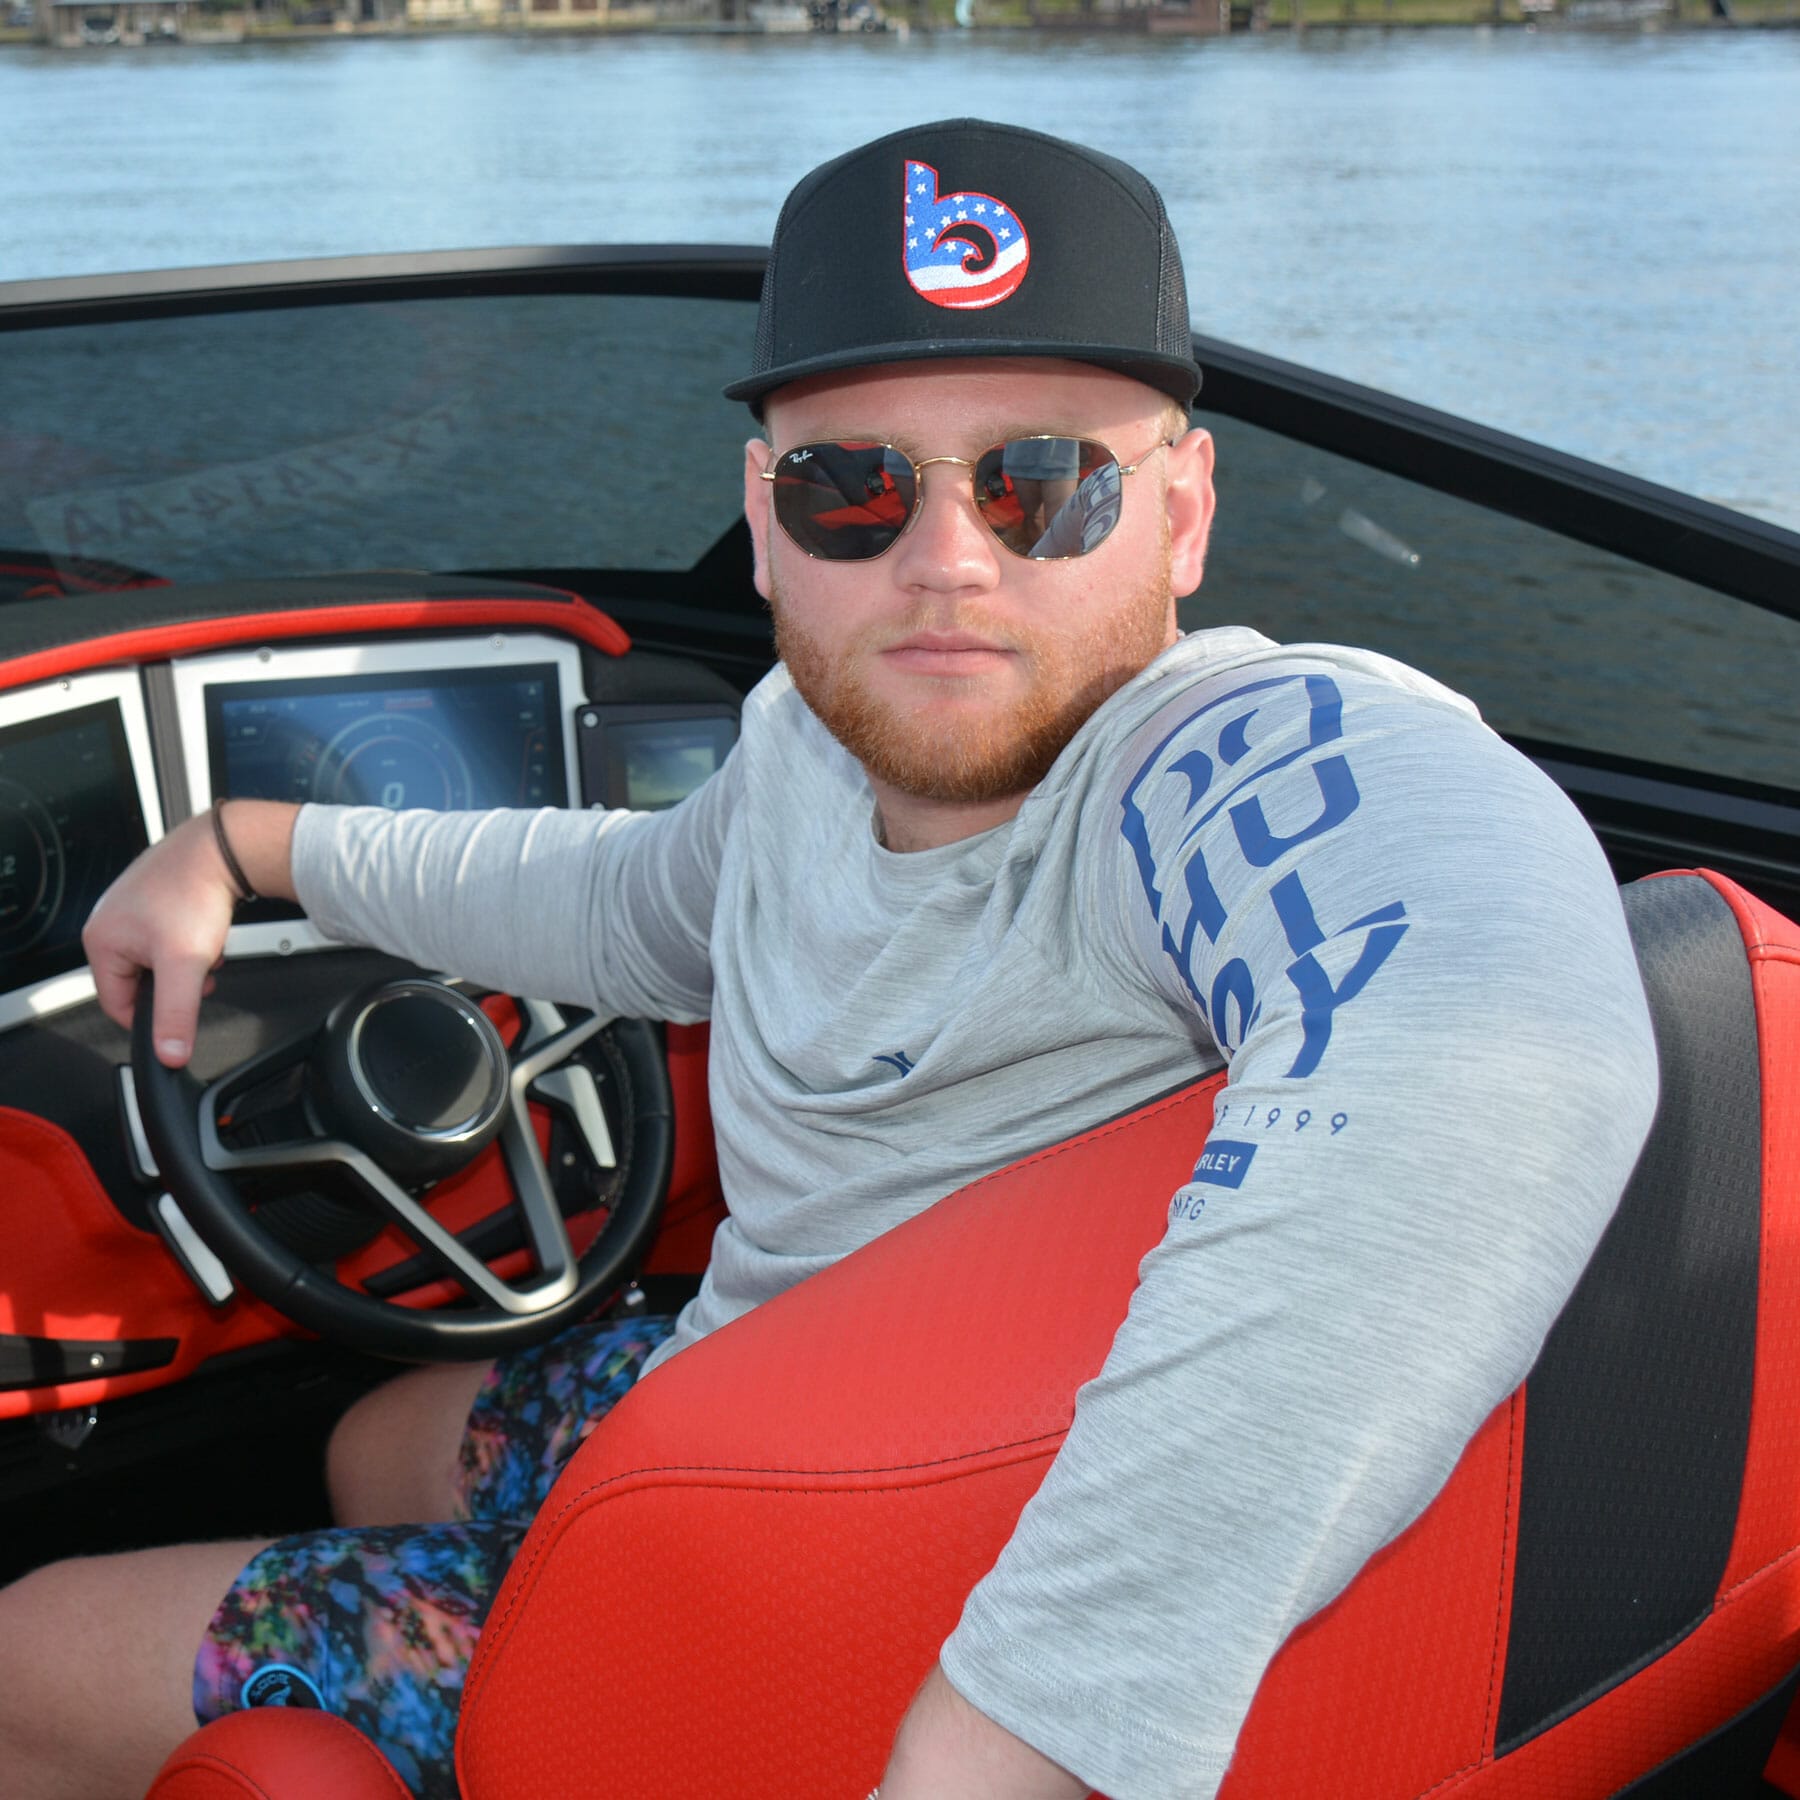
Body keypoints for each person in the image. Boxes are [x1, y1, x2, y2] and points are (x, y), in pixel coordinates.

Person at [0, 118, 1657, 1800]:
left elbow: (1495, 1039)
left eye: (1046, 482)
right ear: (766, 518)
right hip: (741, 1381)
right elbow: (629, 904)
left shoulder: (1216, 759)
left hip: (849, 1579)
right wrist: (248, 847)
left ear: (1181, 513)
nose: (948, 560)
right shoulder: (809, 735)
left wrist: (1024, 1737)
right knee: (374, 1438)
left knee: (23, 1657)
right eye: (851, 485)